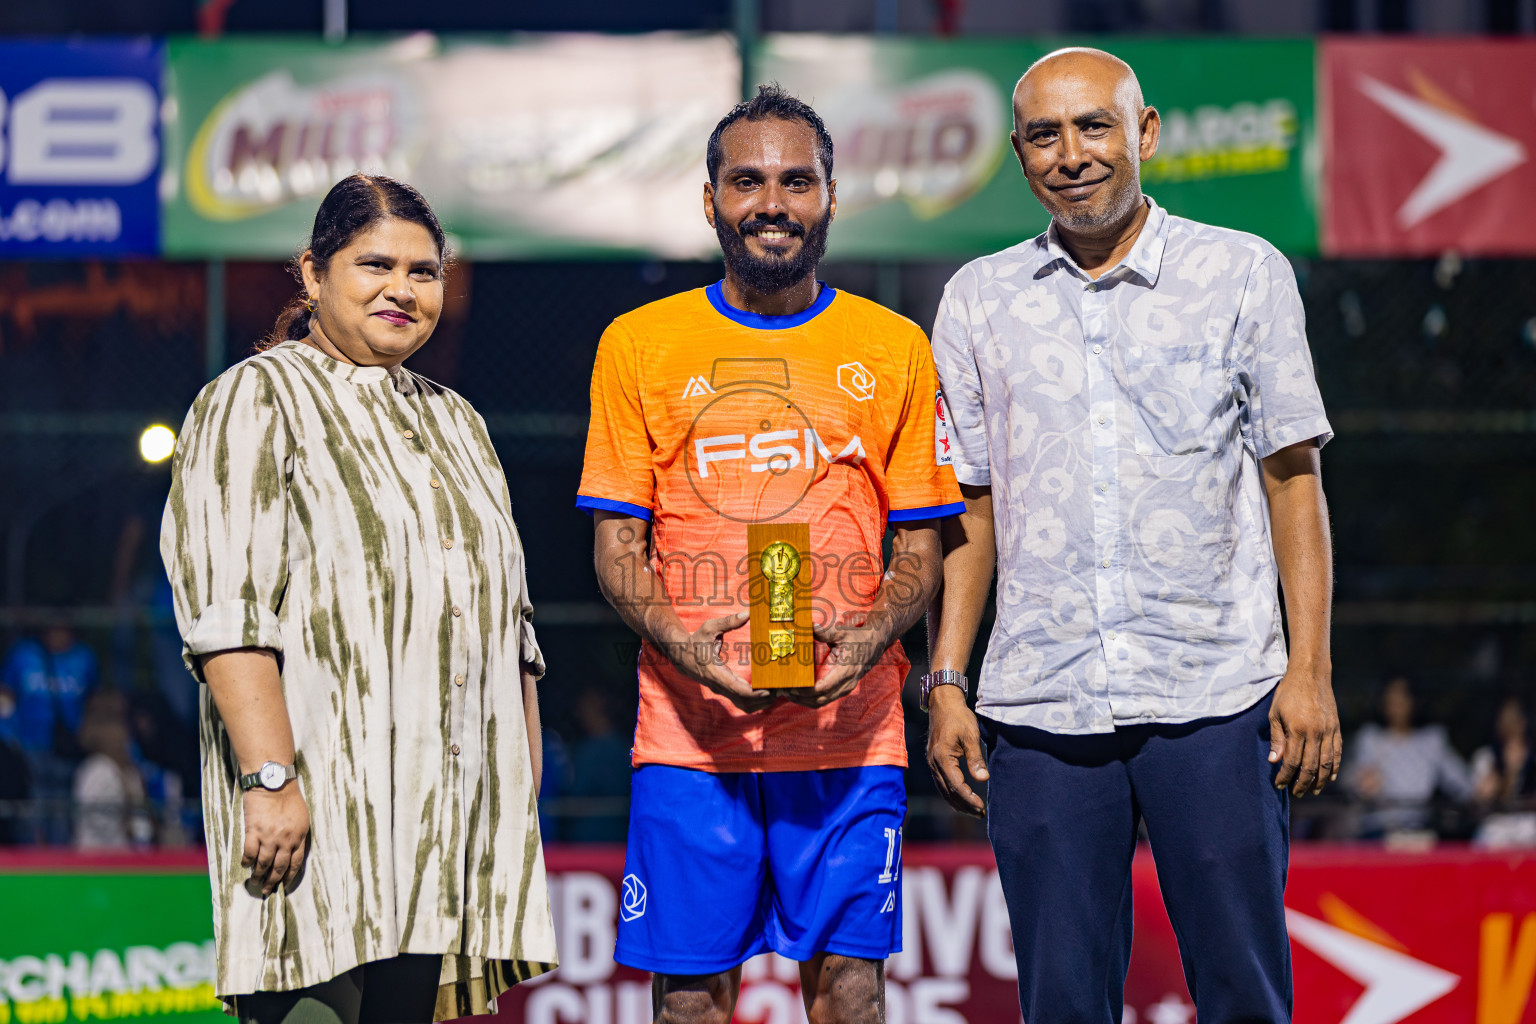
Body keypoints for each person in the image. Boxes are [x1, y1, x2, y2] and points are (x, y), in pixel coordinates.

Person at [924, 48, 1340, 1023]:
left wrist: (1309, 668)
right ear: (1021, 156)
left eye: (1094, 126)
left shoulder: (1242, 273)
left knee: (1243, 993)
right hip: (1041, 708)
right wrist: (947, 679)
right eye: (1044, 134)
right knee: (1063, 1002)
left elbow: (1294, 482)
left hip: (1219, 696)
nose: (1071, 154)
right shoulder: (978, 298)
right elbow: (970, 510)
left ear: (1144, 134)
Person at [578, 85, 962, 1024]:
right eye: (747, 180)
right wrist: (688, 646)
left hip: (851, 736)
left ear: (832, 196)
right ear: (710, 201)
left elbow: (920, 542)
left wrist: (870, 639)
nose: (773, 201)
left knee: (850, 993)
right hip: (689, 740)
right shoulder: (639, 345)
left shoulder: (895, 345)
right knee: (693, 1006)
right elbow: (615, 545)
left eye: (797, 180)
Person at [161, 174, 556, 1024]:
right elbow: (228, 611)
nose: (402, 290)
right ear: (312, 274)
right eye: (374, 264)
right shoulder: (253, 399)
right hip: (315, 821)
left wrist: (512, 794)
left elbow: (510, 629)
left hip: (437, 831)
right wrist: (269, 780)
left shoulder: (458, 422)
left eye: (425, 271)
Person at [0, 624, 98, 844]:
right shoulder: (24, 655)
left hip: (67, 749)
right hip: (28, 747)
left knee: (63, 807)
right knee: (34, 804)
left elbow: (93, 700)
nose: (60, 636)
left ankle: (61, 857)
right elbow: (5, 696)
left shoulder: (84, 657)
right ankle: (33, 857)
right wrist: (8, 736)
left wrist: (86, 735)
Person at [1343, 675, 1472, 836]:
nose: (1397, 704)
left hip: (1418, 828)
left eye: (1402, 698)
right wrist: (1360, 784)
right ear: (1382, 702)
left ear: (1415, 701)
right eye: (1391, 699)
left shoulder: (1431, 741)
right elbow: (1349, 781)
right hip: (1378, 829)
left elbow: (1462, 783)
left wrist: (1482, 789)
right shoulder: (1371, 738)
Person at [72, 690, 151, 849]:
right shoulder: (97, 770)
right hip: (99, 861)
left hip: (131, 862)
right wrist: (126, 821)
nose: (122, 737)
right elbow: (97, 822)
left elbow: (142, 827)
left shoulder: (131, 773)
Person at [1472, 695, 1536, 846]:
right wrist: (1507, 775)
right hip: (1497, 827)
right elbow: (1478, 805)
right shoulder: (1486, 757)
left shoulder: (1533, 757)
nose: (1509, 724)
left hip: (1529, 826)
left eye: (1514, 718)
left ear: (1523, 722)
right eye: (1504, 719)